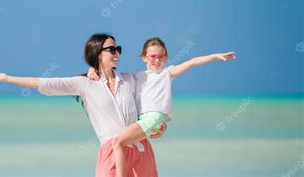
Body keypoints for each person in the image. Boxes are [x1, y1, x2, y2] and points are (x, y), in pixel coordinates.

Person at [0, 33, 166, 177]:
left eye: (117, 48)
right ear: (97, 54)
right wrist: (7, 78)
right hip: (111, 151)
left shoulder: (130, 80)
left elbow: (148, 108)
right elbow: (45, 83)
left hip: (141, 149)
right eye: (111, 49)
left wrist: (160, 126)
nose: (116, 53)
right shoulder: (84, 85)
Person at [87, 37, 236, 177]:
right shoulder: (136, 77)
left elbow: (191, 62)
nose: (157, 60)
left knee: (118, 142)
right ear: (144, 57)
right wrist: (93, 69)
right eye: (153, 56)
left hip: (154, 117)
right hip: (143, 119)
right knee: (121, 143)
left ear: (166, 57)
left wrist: (215, 56)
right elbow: (111, 76)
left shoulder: (167, 73)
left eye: (161, 56)